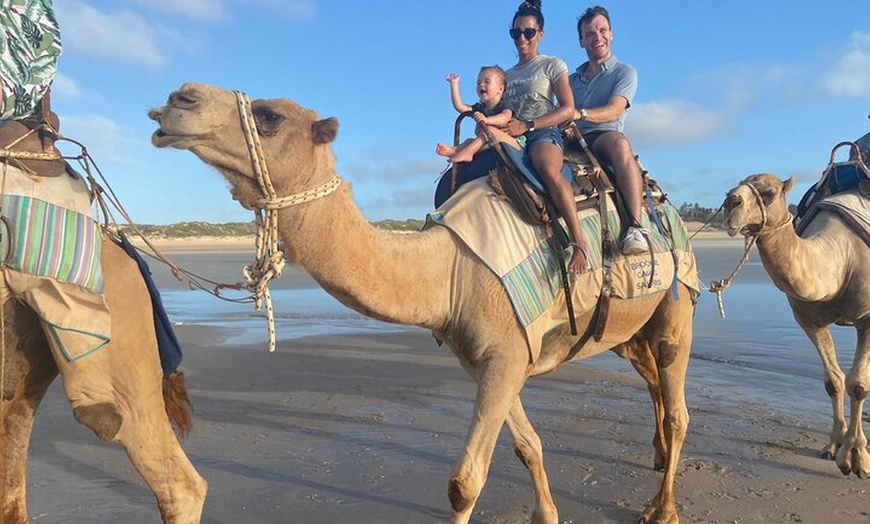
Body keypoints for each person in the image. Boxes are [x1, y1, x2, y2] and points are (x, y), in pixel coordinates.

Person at [489, 0, 591, 274]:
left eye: (528, 32)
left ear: (540, 34)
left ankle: (579, 242)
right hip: (509, 134)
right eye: (516, 33)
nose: (522, 38)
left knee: (547, 168)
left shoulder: (551, 65)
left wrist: (529, 125)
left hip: (541, 132)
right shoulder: (506, 75)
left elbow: (567, 108)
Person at [568, 5, 647, 255]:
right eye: (590, 34)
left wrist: (580, 115)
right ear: (581, 41)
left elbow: (615, 109)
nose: (597, 37)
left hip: (603, 134)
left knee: (621, 144)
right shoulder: (570, 80)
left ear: (611, 34)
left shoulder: (625, 72)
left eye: (602, 30)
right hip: (569, 138)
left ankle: (635, 228)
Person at [435, 67, 513, 164]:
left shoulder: (504, 104)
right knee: (469, 142)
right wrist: (454, 84)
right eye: (478, 82)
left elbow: (505, 117)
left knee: (488, 130)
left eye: (487, 81)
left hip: (509, 143)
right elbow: (460, 107)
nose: (481, 84)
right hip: (489, 143)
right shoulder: (480, 108)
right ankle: (454, 150)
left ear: (500, 88)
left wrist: (487, 120)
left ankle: (468, 153)